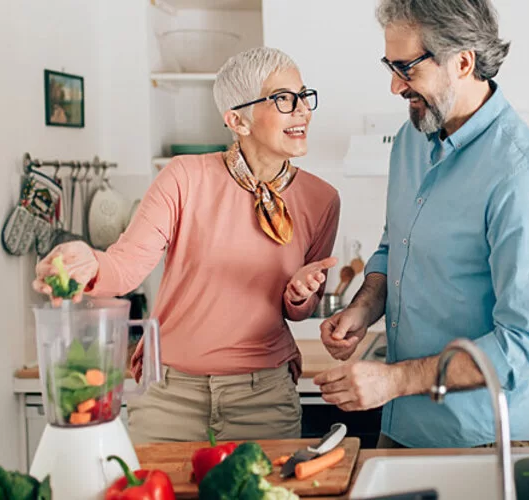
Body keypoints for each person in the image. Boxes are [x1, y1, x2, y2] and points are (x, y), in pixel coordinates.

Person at [34, 47, 341, 444]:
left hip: (261, 396)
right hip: (169, 397)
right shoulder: (184, 177)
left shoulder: (322, 200)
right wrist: (87, 263)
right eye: (284, 99)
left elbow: (299, 311)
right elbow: (125, 265)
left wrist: (300, 295)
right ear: (237, 120)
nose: (302, 110)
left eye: (303, 96)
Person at [316, 0, 529, 449]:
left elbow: (522, 346)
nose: (395, 86)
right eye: (389, 67)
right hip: (400, 428)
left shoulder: (521, 176)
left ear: (463, 62)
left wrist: (393, 381)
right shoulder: (411, 140)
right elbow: (396, 245)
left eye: (407, 69)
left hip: (479, 442)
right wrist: (362, 308)